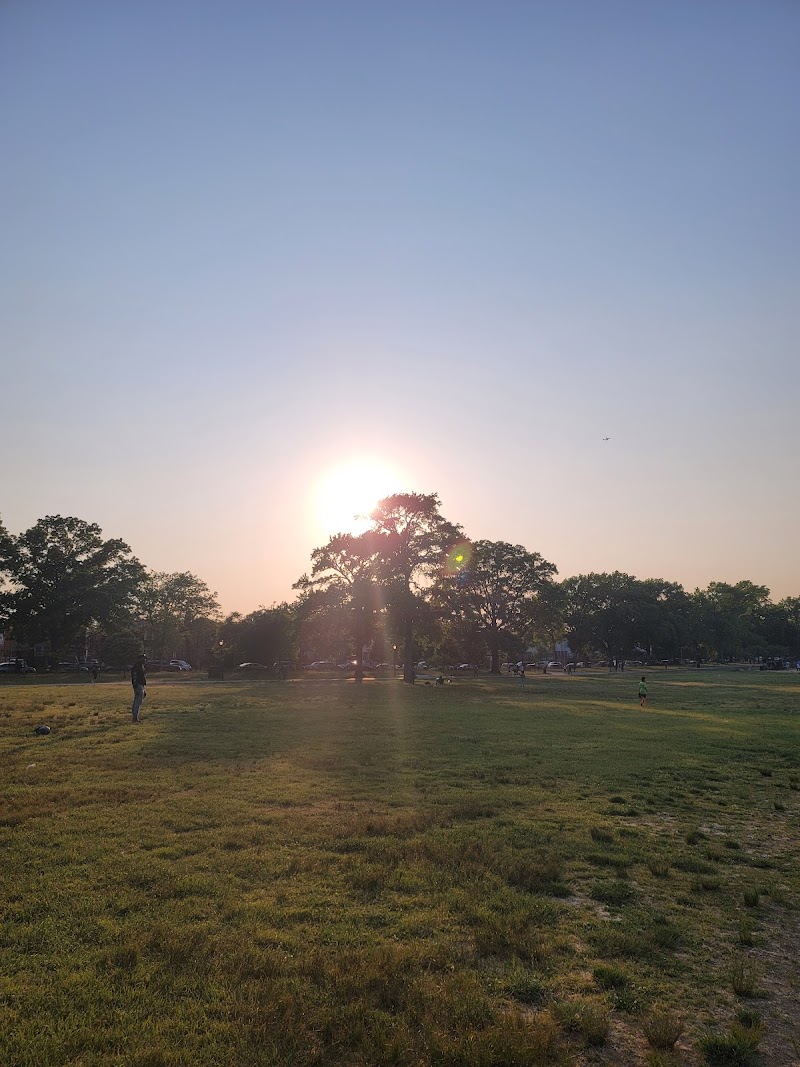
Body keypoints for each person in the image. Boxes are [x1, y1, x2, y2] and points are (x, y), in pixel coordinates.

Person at [131, 654, 147, 722]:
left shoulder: (141, 666)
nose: (145, 660)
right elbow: (134, 677)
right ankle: (135, 718)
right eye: (143, 658)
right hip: (138, 685)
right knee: (138, 702)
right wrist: (136, 685)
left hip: (141, 685)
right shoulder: (137, 667)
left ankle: (135, 716)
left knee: (138, 701)